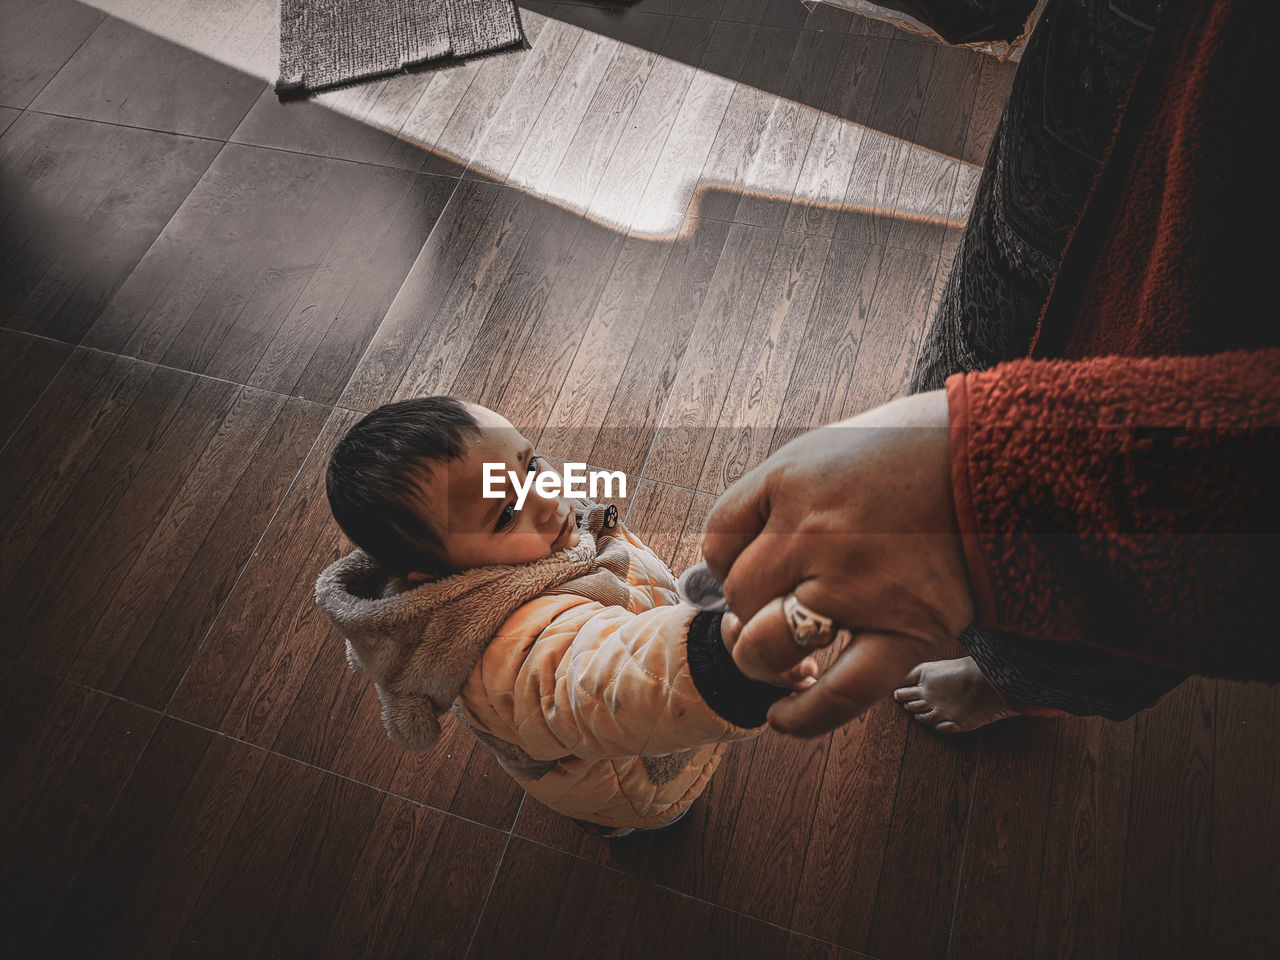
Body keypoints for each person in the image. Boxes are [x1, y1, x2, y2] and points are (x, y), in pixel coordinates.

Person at [700, 0, 1279, 739]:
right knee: (977, 343)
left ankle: (1016, 684)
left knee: (1100, 599)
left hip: (1229, 247)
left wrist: (988, 480)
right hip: (1104, 72)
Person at [314, 397, 814, 836]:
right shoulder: (515, 651)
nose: (552, 501)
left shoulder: (531, 543)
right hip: (639, 760)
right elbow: (603, 680)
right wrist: (726, 659)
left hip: (647, 646)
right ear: (431, 573)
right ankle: (612, 822)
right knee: (647, 808)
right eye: (506, 514)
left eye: (530, 467)